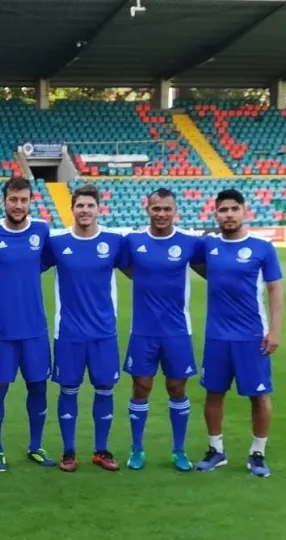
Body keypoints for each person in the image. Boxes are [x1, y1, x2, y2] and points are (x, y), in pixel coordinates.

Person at [195, 188, 283, 478]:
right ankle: (215, 450)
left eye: (234, 209)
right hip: (217, 335)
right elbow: (199, 267)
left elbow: (274, 289)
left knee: (259, 396)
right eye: (223, 210)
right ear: (215, 213)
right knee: (213, 393)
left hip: (251, 335)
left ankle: (257, 453)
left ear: (244, 211)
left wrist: (275, 331)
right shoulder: (208, 246)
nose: (229, 215)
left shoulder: (262, 248)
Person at [42, 183, 127, 472]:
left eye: (90, 205)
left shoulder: (114, 242)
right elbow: (28, 268)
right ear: (72, 208)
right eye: (80, 205)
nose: (85, 210)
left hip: (104, 333)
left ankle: (101, 450)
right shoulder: (57, 243)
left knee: (105, 390)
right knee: (69, 390)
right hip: (68, 333)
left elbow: (138, 272)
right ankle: (68, 451)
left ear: (98, 208)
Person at [120, 188, 205, 472]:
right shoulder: (133, 241)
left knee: (176, 386)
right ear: (148, 209)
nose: (161, 214)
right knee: (141, 387)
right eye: (156, 208)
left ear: (175, 211)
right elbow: (125, 267)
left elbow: (209, 269)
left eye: (167, 209)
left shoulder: (189, 243)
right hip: (143, 330)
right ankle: (137, 448)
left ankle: (179, 450)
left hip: (177, 330)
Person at [0, 177, 56, 472]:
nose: (18, 205)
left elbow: (45, 262)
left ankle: (36, 446)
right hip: (2, 330)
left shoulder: (41, 231)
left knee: (38, 389)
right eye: (13, 200)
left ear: (30, 201)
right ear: (4, 201)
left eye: (23, 200)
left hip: (35, 329)